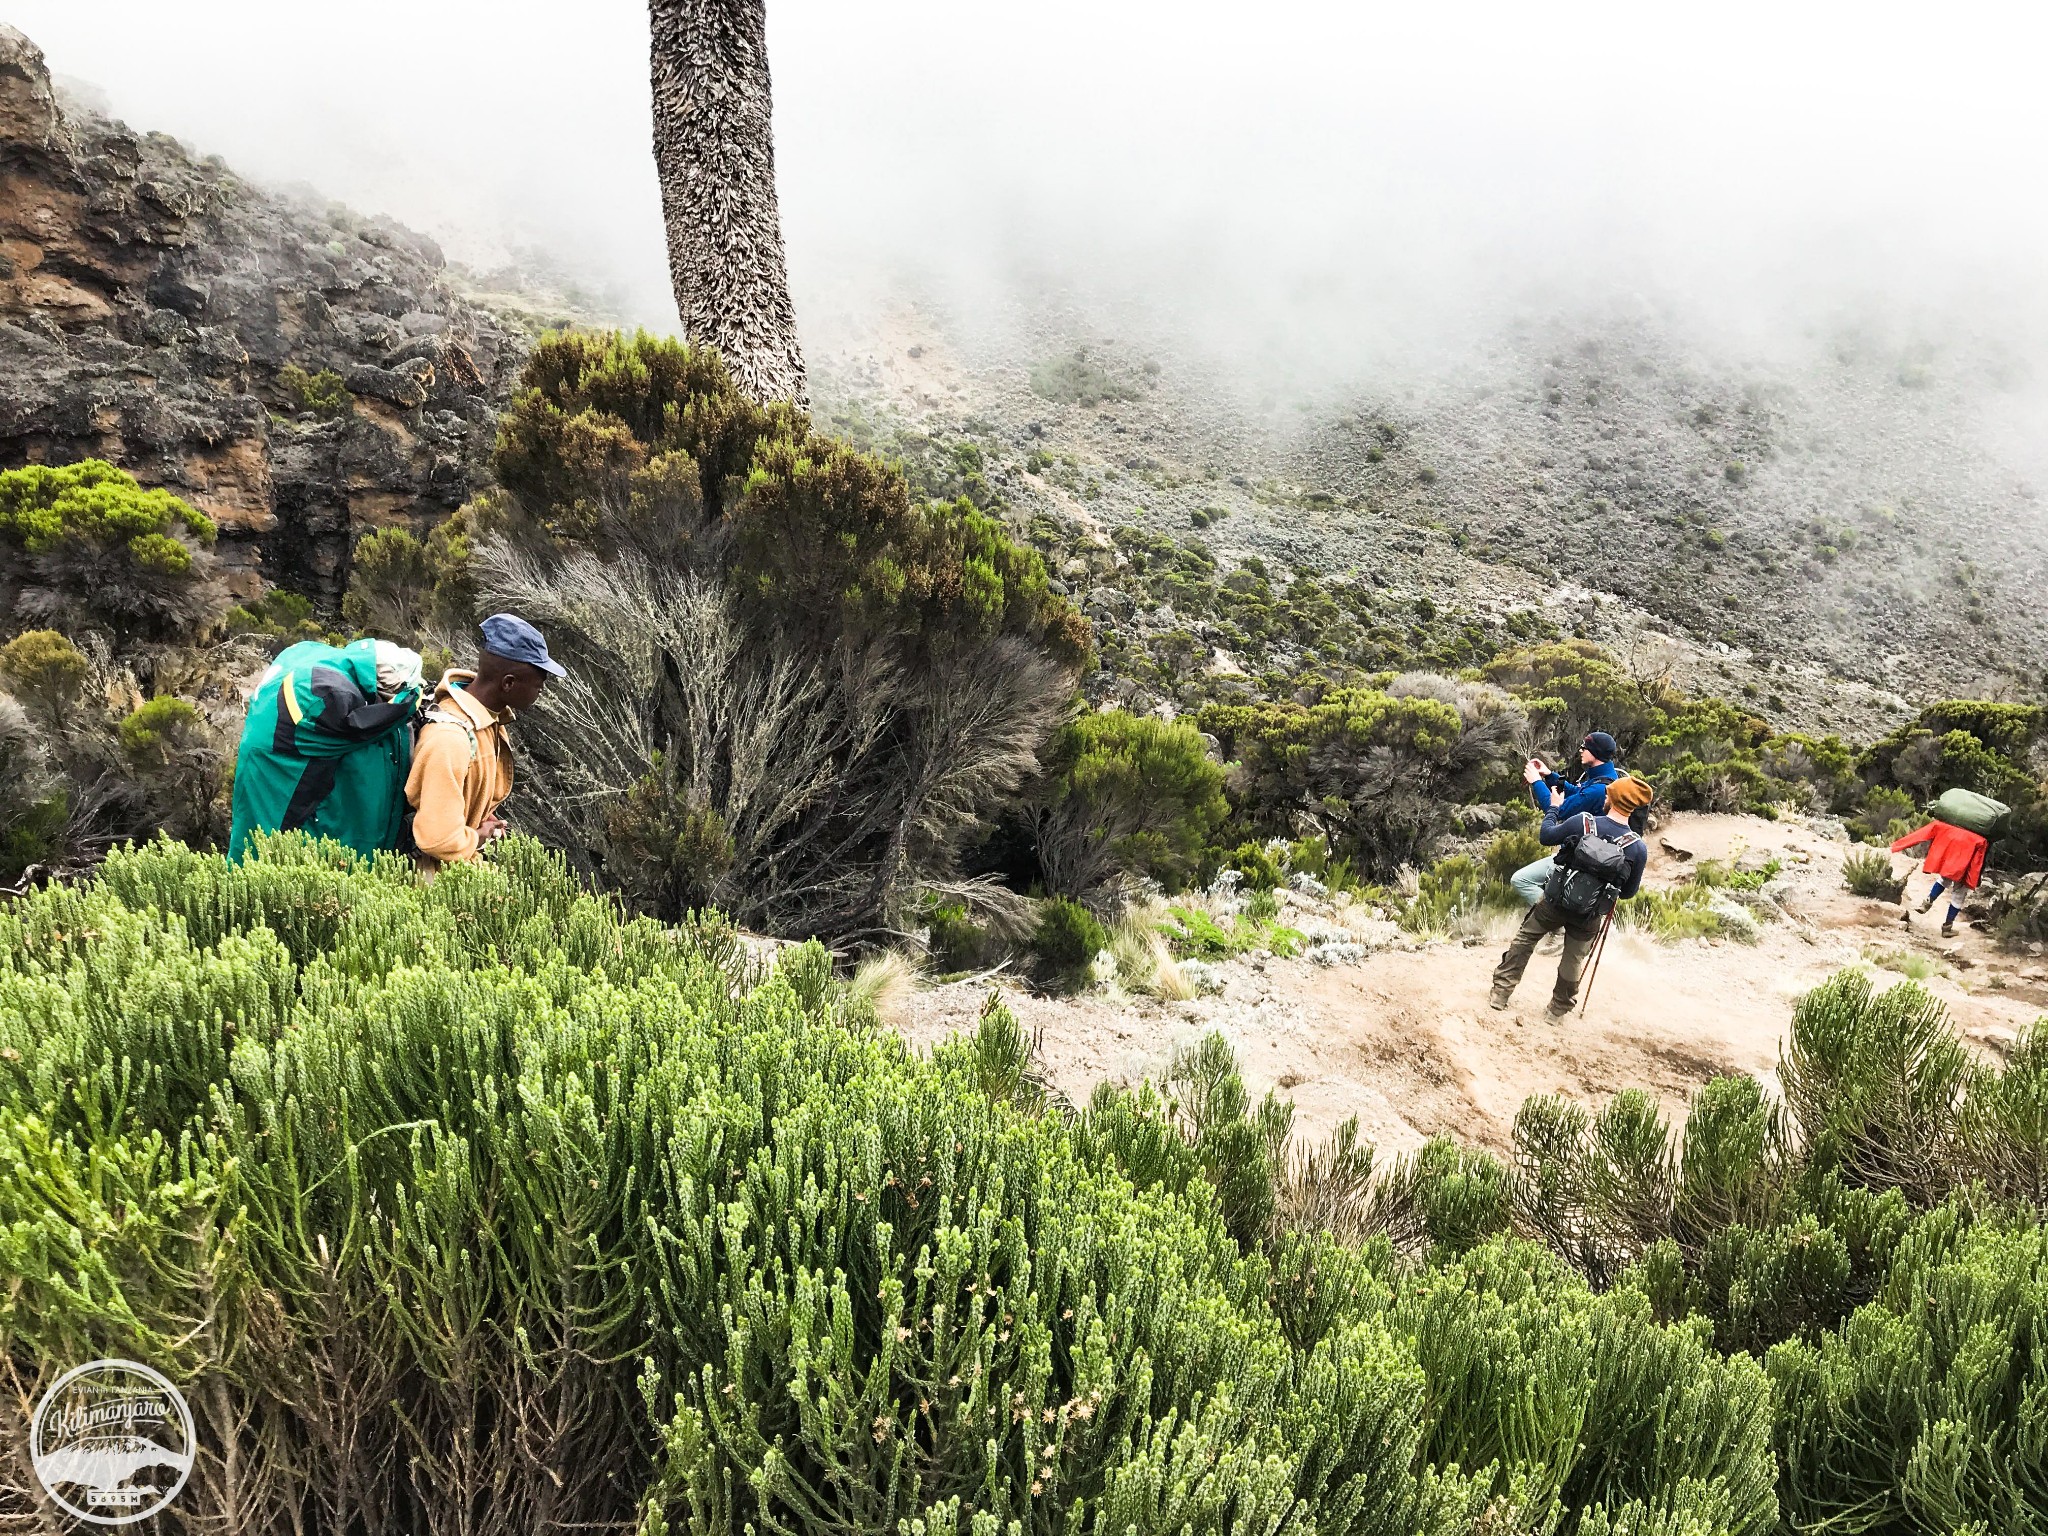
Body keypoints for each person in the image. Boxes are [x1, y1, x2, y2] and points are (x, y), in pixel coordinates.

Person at [229, 637, 425, 860]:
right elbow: (362, 726)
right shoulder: (327, 695)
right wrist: (408, 701)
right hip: (286, 795)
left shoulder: (312, 658)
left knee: (250, 849)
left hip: (263, 772)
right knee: (269, 856)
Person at [404, 613, 563, 871]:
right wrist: (480, 836)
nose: (541, 690)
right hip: (432, 882)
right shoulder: (450, 739)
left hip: (459, 869)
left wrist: (481, 815)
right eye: (539, 682)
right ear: (508, 683)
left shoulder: (487, 720)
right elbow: (438, 839)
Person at [1491, 774, 1654, 1020]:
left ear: (1611, 798)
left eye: (1608, 794)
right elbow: (1629, 893)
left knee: (1525, 940)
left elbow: (1546, 837)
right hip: (1589, 915)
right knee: (1574, 959)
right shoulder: (1636, 847)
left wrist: (1554, 809)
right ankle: (1556, 1011)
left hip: (1554, 902)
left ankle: (1500, 994)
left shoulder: (1584, 822)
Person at [1509, 732, 1626, 906]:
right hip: (1587, 857)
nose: (1580, 750)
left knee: (1521, 880)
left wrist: (1536, 782)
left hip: (1578, 861)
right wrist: (1549, 776)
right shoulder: (1606, 778)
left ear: (1596, 753)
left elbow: (1559, 810)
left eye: (1584, 747)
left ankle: (1550, 916)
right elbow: (1578, 793)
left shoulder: (1598, 790)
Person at [1890, 815, 1988, 939]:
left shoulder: (1947, 827)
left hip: (1950, 863)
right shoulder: (1980, 839)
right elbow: (1978, 861)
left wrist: (1896, 846)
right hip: (1964, 869)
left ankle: (1928, 901)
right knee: (1959, 896)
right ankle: (1947, 927)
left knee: (1943, 880)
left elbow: (1920, 834)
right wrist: (1973, 878)